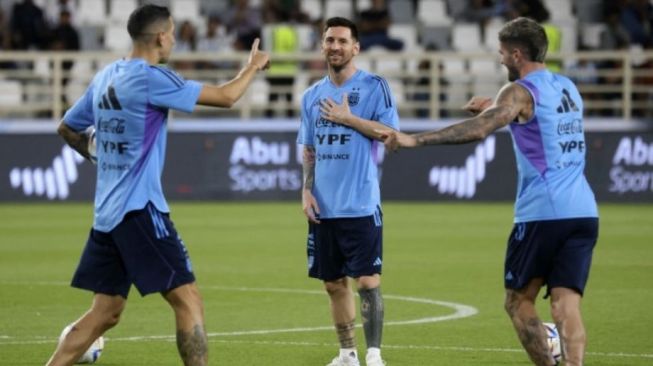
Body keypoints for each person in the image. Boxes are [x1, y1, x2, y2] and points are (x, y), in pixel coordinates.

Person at [46, 4, 269, 366]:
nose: (175, 39)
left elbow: (66, 128)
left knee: (106, 312)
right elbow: (227, 97)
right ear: (161, 36)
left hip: (107, 213)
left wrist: (97, 153)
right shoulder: (153, 78)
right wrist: (253, 67)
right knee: (188, 299)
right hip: (139, 210)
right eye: (173, 33)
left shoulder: (106, 76)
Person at [379, 17, 599, 366]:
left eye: (501, 54)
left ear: (516, 54)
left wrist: (413, 139)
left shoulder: (517, 93)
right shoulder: (568, 88)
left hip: (544, 213)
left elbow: (482, 130)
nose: (499, 60)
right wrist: (499, 110)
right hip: (584, 212)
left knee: (517, 301)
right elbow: (542, 126)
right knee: (565, 304)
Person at [297, 16, 399, 366]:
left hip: (360, 204)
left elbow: (390, 135)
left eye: (342, 41)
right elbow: (309, 148)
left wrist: (348, 118)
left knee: (368, 281)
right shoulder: (311, 96)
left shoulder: (374, 87)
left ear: (356, 47)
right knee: (333, 283)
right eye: (329, 40)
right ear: (322, 45)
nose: (335, 47)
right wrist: (306, 190)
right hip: (324, 208)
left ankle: (374, 355)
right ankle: (347, 354)